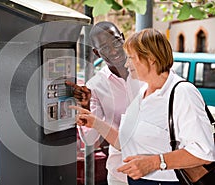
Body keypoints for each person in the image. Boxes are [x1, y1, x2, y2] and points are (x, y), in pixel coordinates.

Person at [71, 28, 215, 185]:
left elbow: (204, 153)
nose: (126, 63)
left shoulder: (182, 92)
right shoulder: (143, 93)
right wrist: (94, 121)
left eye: (131, 58)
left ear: (151, 58)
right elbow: (125, 142)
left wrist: (153, 162)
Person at [66, 21, 141, 185]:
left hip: (158, 171)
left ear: (122, 38)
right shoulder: (95, 86)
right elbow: (90, 140)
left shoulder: (146, 70)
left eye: (116, 42)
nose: (114, 50)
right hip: (120, 173)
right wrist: (86, 111)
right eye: (105, 48)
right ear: (97, 53)